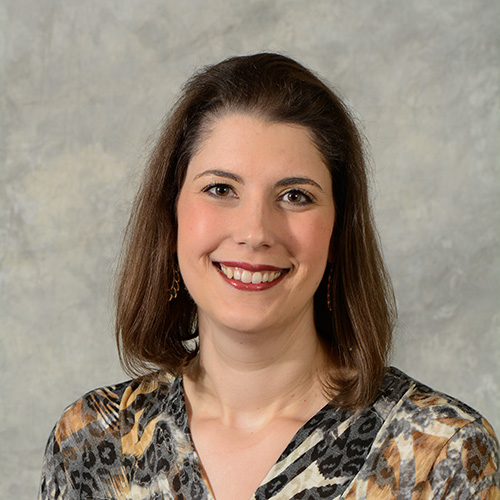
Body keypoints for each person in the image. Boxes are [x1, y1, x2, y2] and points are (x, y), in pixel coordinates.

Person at [38, 53, 500, 500]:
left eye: (295, 196)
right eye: (221, 189)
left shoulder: (441, 454)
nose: (256, 232)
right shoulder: (90, 442)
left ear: (339, 232)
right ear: (172, 215)